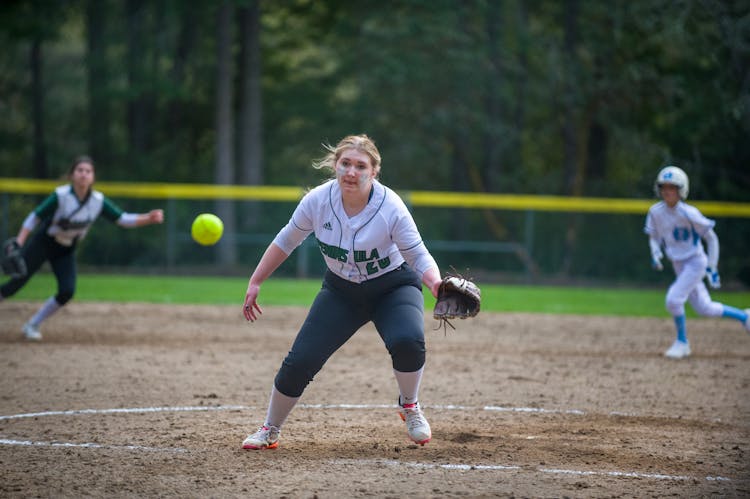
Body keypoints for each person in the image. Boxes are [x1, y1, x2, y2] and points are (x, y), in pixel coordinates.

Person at [240, 134, 443, 450]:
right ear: (335, 166)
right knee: (300, 361)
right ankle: (270, 429)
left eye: (360, 165)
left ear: (374, 171)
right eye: (345, 163)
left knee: (407, 341)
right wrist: (256, 281)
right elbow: (286, 240)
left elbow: (417, 255)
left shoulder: (391, 207)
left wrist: (435, 284)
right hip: (341, 292)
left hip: (393, 286)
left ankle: (410, 405)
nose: (351, 171)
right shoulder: (318, 201)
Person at [0, 155, 164, 341]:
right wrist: (20, 241)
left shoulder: (97, 201)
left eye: (88, 171)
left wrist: (148, 218)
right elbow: (34, 217)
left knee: (67, 291)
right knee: (15, 284)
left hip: (66, 249)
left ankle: (33, 324)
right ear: (72, 175)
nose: (84, 174)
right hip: (44, 243)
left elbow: (122, 219)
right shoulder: (61, 196)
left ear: (93, 177)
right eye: (80, 170)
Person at [645, 165, 749, 359]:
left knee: (673, 299)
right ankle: (745, 317)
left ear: (681, 190)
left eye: (672, 187)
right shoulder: (655, 212)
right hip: (678, 264)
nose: (667, 191)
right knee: (705, 308)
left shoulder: (688, 213)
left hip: (695, 262)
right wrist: (655, 253)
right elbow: (654, 236)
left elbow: (711, 238)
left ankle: (682, 342)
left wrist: (712, 266)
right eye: (664, 187)